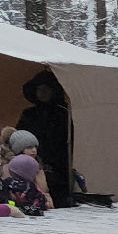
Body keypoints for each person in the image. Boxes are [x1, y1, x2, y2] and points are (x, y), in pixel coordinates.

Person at [15, 71, 74, 208]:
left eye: (46, 89)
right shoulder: (29, 114)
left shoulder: (64, 113)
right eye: (39, 89)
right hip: (31, 158)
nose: (42, 93)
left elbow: (67, 140)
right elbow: (20, 136)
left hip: (60, 163)